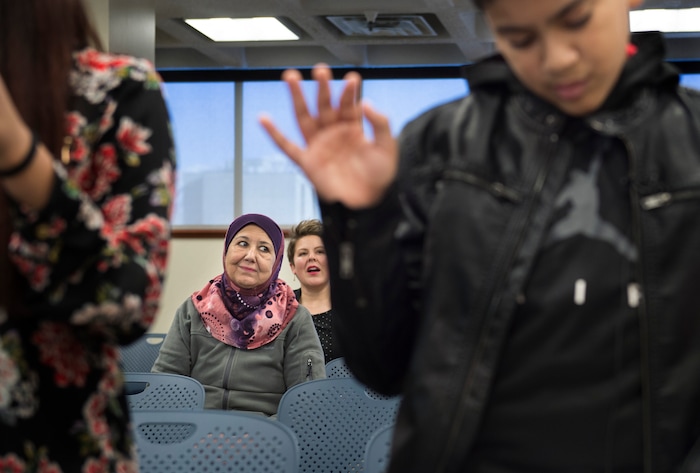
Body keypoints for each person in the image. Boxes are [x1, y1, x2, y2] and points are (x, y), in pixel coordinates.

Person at [259, 0, 700, 471]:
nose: (557, 59)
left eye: (576, 20)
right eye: (520, 38)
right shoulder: (439, 147)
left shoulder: (690, 141)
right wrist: (362, 221)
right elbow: (382, 368)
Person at [0, 0, 176, 471]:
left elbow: (129, 301)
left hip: (55, 441)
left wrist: (18, 154)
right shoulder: (201, 313)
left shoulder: (118, 91)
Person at [152, 213, 325, 416]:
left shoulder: (294, 318)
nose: (250, 256)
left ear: (276, 262)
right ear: (226, 251)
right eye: (242, 243)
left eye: (264, 249)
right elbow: (163, 386)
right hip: (195, 434)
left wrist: (259, 435)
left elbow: (308, 402)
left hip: (265, 439)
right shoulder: (193, 310)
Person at [287, 218, 341, 362]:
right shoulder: (281, 307)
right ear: (292, 266)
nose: (312, 257)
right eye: (303, 253)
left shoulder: (353, 306)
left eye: (320, 251)